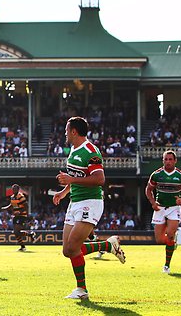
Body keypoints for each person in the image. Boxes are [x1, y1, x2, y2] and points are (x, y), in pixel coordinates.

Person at [53, 116, 126, 300]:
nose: (65, 133)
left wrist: (71, 180)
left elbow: (99, 179)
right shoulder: (73, 150)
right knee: (67, 251)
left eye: (66, 130)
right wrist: (63, 192)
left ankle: (82, 288)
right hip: (74, 202)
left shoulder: (90, 151)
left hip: (90, 202)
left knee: (73, 246)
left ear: (74, 131)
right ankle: (107, 246)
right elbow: (75, 178)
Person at [145, 150, 181, 274]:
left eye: (170, 159)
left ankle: (167, 266)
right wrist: (153, 202)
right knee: (160, 240)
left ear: (175, 161)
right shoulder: (156, 175)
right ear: (163, 161)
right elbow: (148, 189)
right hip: (160, 208)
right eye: (165, 159)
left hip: (173, 208)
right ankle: (172, 242)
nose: (168, 161)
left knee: (170, 234)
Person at [1, 184, 35, 251]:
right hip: (16, 216)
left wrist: (22, 213)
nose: (13, 190)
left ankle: (28, 237)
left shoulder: (20, 196)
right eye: (13, 189)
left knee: (16, 232)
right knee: (16, 233)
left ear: (18, 189)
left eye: (15, 189)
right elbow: (12, 205)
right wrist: (6, 208)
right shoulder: (12, 197)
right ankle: (24, 244)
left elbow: (26, 206)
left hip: (22, 216)